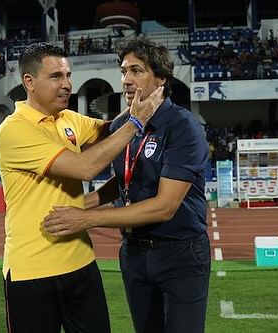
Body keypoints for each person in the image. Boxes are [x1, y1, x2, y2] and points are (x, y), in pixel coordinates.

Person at [43, 38, 211, 333]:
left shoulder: (182, 125)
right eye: (123, 72)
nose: (126, 80)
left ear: (160, 78)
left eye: (137, 71)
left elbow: (165, 206)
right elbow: (124, 181)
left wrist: (85, 218)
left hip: (179, 254)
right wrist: (85, 202)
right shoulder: (126, 126)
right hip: (133, 254)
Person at [0, 42, 163, 333]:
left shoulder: (69, 119)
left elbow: (111, 129)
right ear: (29, 82)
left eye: (68, 75)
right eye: (56, 77)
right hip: (31, 272)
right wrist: (137, 120)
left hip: (81, 263)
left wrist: (148, 102)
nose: (67, 85)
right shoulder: (14, 129)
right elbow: (84, 167)